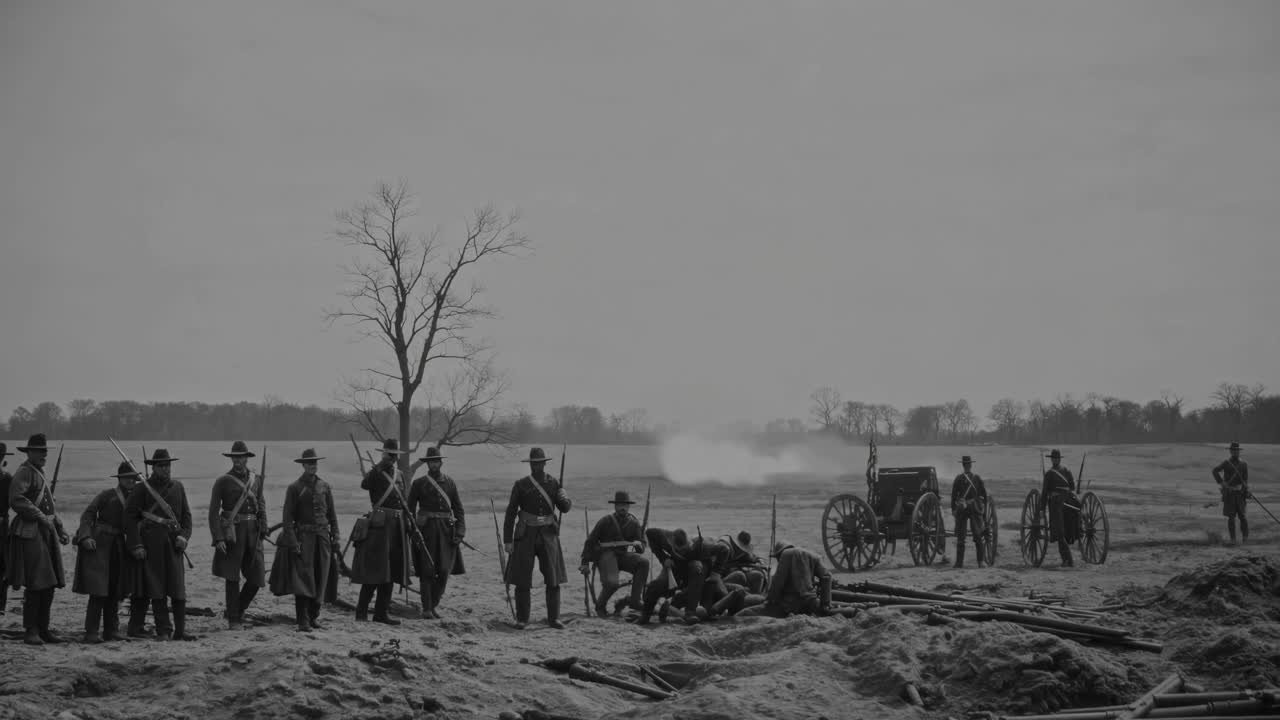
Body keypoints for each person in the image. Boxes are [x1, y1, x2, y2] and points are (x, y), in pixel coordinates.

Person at [124, 448, 195, 641]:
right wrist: (137, 545)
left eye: (168, 465)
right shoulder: (142, 489)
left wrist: (184, 537)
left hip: (174, 544)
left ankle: (180, 631)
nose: (166, 469)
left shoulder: (178, 487)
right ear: (154, 468)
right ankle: (164, 630)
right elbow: (129, 518)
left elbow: (187, 518)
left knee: (178, 588)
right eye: (162, 466)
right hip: (151, 544)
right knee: (157, 588)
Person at [6, 433, 69, 644]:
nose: (43, 454)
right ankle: (31, 630)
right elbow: (17, 500)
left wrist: (59, 528)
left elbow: (48, 507)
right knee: (36, 583)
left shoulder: (38, 473)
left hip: (44, 531)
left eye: (45, 451)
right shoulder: (24, 472)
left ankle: (43, 629)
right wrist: (40, 517)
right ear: (29, 452)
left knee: (49, 583)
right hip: (30, 532)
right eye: (39, 451)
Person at [269, 448, 341, 632]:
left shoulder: (324, 486)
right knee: (303, 579)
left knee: (321, 577)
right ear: (303, 465)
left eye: (315, 463)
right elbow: (287, 519)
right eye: (309, 463)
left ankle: (314, 617)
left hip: (323, 539)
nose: (312, 466)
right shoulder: (295, 488)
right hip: (304, 539)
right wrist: (293, 543)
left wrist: (336, 537)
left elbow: (332, 516)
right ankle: (302, 620)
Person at [502, 447, 572, 629]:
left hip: (548, 534)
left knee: (553, 577)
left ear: (545, 463)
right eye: (534, 463)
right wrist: (508, 540)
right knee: (522, 578)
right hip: (525, 534)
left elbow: (564, 508)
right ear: (530, 464)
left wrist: (565, 498)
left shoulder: (553, 483)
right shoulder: (521, 484)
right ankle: (522, 619)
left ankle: (554, 618)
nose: (537, 465)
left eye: (540, 462)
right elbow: (511, 513)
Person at [350, 438, 417, 625]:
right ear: (384, 454)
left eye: (395, 455)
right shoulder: (376, 473)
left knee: (392, 571)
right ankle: (361, 613)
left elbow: (404, 500)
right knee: (375, 571)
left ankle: (381, 614)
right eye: (390, 455)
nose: (393, 458)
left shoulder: (401, 475)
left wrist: (408, 521)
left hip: (397, 526)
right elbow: (365, 484)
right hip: (380, 526)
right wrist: (380, 464)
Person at [72, 461, 141, 642]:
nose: (131, 482)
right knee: (98, 590)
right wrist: (86, 537)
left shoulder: (137, 499)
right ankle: (91, 633)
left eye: (133, 479)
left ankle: (112, 631)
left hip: (118, 546)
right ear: (120, 479)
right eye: (127, 478)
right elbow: (88, 515)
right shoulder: (106, 495)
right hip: (100, 545)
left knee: (114, 589)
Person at [209, 440, 268, 629]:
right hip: (233, 533)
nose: (238, 461)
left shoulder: (256, 479)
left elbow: (261, 504)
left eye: (241, 457)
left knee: (257, 579)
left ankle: (237, 609)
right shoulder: (222, 481)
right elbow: (213, 512)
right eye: (235, 457)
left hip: (253, 532)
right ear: (231, 459)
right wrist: (218, 537)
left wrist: (264, 527)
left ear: (246, 458)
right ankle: (234, 619)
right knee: (232, 577)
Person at [406, 446, 465, 620]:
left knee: (445, 570)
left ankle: (433, 605)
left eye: (436, 461)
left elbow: (459, 510)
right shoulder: (419, 484)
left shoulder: (450, 483)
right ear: (427, 464)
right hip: (426, 532)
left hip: (447, 532)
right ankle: (426, 609)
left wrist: (460, 532)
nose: (433, 464)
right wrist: (413, 531)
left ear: (440, 462)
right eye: (430, 461)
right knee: (427, 571)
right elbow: (409, 510)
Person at [579, 491, 649, 618]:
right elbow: (591, 541)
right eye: (620, 505)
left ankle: (635, 601)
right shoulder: (605, 521)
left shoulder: (634, 523)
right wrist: (585, 562)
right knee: (612, 583)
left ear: (628, 506)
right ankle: (600, 606)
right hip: (606, 555)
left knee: (643, 563)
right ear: (615, 506)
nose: (623, 507)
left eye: (625, 505)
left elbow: (641, 546)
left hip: (623, 556)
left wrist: (638, 545)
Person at [737, 540, 831, 618]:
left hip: (789, 605)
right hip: (811, 603)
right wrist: (825, 604)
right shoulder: (813, 556)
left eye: (777, 558)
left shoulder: (786, 554)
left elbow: (778, 582)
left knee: (745, 613)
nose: (778, 560)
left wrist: (769, 600)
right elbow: (827, 577)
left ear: (779, 553)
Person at [1038, 449, 1078, 567]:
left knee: (1059, 532)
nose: (1055, 460)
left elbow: (1045, 492)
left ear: (1056, 459)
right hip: (1068, 501)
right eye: (1054, 458)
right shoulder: (1066, 470)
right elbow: (1072, 486)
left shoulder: (1049, 473)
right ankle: (1066, 559)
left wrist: (1042, 508)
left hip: (1056, 503)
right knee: (1063, 529)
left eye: (1055, 458)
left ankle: (1068, 560)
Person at [950, 455, 989, 568]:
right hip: (963, 509)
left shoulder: (976, 478)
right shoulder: (959, 479)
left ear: (970, 465)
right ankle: (959, 563)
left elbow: (983, 495)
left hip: (973, 508)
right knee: (961, 537)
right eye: (966, 464)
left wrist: (982, 508)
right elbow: (953, 496)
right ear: (964, 465)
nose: (967, 466)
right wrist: (954, 509)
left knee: (977, 535)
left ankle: (980, 561)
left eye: (968, 464)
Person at [1212, 442, 1250, 545]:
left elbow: (1245, 479)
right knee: (1231, 517)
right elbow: (1215, 471)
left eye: (1236, 450)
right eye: (1233, 450)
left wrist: (1247, 490)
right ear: (1230, 451)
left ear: (1239, 451)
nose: (1235, 452)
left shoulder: (1244, 464)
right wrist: (1222, 483)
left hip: (1240, 494)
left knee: (1243, 516)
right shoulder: (1226, 463)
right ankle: (1233, 539)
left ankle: (1245, 539)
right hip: (1229, 494)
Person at [0, 443, 13, 617]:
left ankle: (0, 605)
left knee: (2, 565)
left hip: (2, 527)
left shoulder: (7, 479)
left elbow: (17, 499)